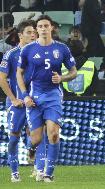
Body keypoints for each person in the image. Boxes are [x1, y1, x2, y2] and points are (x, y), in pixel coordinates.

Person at [16, 15, 77, 182]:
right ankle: (31, 149)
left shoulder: (62, 48)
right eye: (40, 26)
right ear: (37, 29)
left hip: (53, 96)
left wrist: (62, 78)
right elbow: (19, 73)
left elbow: (74, 72)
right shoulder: (27, 50)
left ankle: (48, 173)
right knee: (36, 138)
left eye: (46, 26)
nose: (43, 28)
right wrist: (24, 95)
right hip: (34, 96)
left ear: (52, 28)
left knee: (53, 134)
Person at [0, 20, 36, 182]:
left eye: (33, 32)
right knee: (14, 137)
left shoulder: (39, 53)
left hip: (35, 102)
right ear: (20, 35)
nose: (33, 34)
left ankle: (32, 153)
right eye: (29, 32)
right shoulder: (11, 54)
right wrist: (13, 99)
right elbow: (2, 79)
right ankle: (15, 173)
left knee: (36, 136)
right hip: (17, 103)